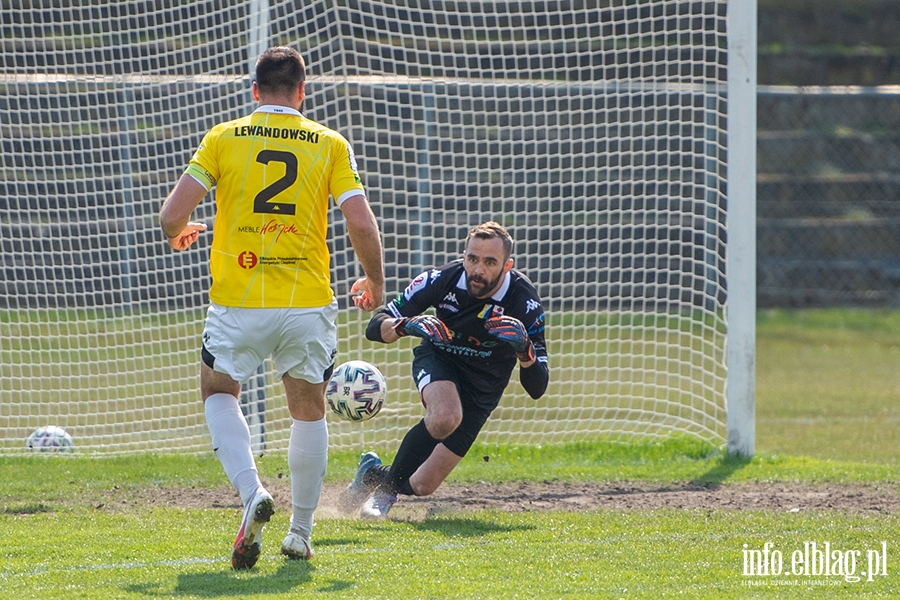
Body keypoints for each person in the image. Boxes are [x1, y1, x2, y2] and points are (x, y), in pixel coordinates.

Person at [159, 46, 384, 569]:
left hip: (238, 300)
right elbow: (361, 222)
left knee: (218, 390)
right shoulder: (329, 143)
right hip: (306, 301)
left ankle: (251, 491)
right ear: (302, 92)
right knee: (308, 409)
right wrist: (373, 281)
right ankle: (300, 533)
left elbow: (172, 214)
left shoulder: (223, 137)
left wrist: (178, 233)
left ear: (254, 91)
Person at [337, 221, 549, 519]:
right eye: (472, 259)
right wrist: (406, 325)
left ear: (507, 265)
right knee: (445, 416)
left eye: (490, 262)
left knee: (423, 484)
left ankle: (373, 474)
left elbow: (537, 387)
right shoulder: (441, 280)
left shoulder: (523, 302)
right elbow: (376, 325)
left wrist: (524, 350)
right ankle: (386, 494)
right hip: (440, 360)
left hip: (483, 390)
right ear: (464, 255)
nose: (478, 270)